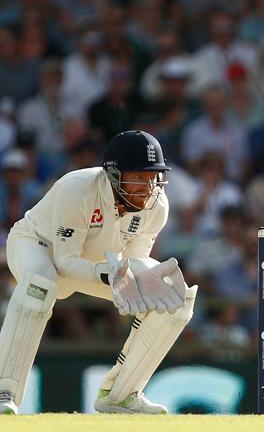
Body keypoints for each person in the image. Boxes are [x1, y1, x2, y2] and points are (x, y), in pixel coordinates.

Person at [0, 130, 198, 415]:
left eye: (153, 178)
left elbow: (135, 260)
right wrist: (107, 273)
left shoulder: (157, 206)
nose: (147, 187)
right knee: (40, 285)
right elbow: (65, 262)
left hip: (101, 266)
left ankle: (120, 394)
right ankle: (3, 391)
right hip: (39, 246)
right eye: (138, 177)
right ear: (114, 175)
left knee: (176, 299)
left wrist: (138, 280)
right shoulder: (77, 188)